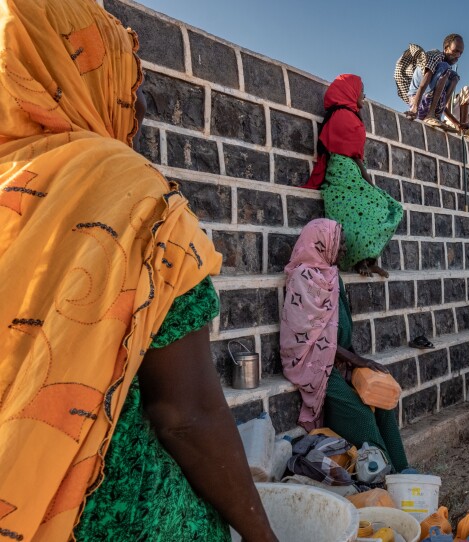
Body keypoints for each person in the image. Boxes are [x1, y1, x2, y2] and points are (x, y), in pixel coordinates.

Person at [0, 1, 276, 540]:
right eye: (130, 79)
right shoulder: (125, 191)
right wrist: (262, 536)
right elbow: (184, 412)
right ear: (82, 75)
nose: (142, 101)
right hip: (103, 516)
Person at [281, 219, 410, 473]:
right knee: (361, 416)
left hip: (340, 357)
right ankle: (385, 475)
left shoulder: (332, 275)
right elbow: (310, 339)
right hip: (315, 363)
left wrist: (356, 360)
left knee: (382, 401)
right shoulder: (302, 278)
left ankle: (404, 470)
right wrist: (357, 361)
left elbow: (340, 326)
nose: (343, 252)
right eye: (338, 246)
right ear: (322, 244)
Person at [304, 74, 403, 278]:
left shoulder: (347, 114)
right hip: (343, 175)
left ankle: (368, 259)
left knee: (383, 207)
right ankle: (360, 261)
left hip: (351, 172)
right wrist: (369, 182)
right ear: (351, 92)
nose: (364, 96)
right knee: (373, 207)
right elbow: (352, 155)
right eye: (361, 91)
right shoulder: (342, 116)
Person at [394, 34, 465, 130]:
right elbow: (424, 83)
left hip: (429, 103)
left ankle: (436, 116)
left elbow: (441, 98)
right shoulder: (435, 56)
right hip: (419, 101)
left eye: (461, 53)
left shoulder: (444, 72)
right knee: (445, 67)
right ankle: (430, 115)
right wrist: (414, 109)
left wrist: (456, 123)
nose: (458, 56)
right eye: (455, 51)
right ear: (446, 48)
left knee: (455, 77)